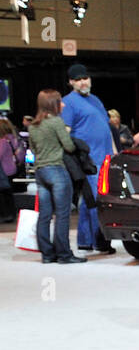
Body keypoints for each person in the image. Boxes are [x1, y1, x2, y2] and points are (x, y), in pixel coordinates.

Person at [26, 90, 86, 264]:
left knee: (44, 215)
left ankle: (47, 254)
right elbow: (68, 146)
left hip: (40, 172)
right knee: (62, 214)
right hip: (57, 171)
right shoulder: (56, 122)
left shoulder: (33, 126)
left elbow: (34, 149)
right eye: (60, 102)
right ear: (53, 104)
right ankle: (64, 254)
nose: (64, 105)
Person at [61, 63, 115, 253]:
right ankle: (100, 240)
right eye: (78, 80)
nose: (83, 82)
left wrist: (114, 154)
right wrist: (74, 159)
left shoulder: (96, 100)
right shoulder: (68, 103)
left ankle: (86, 240)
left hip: (105, 158)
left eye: (85, 78)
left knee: (90, 201)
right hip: (89, 161)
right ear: (70, 82)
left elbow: (106, 129)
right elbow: (65, 133)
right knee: (95, 201)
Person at [0, 118, 22, 221]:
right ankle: (11, 214)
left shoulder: (2, 141)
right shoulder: (14, 138)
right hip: (12, 169)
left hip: (3, 170)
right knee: (8, 194)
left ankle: (6, 215)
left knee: (4, 194)